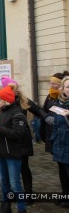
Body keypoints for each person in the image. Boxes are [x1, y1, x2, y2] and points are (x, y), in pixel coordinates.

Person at [0, 85, 27, 213]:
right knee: (4, 182)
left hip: (12, 153)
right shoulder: (0, 112)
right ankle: (5, 207)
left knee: (15, 184)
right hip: (1, 151)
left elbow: (18, 134)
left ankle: (21, 209)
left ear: (6, 100)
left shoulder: (17, 113)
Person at [50, 75, 69, 208]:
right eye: (67, 87)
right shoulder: (59, 102)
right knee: (62, 172)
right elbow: (56, 123)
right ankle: (65, 196)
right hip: (60, 143)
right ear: (63, 89)